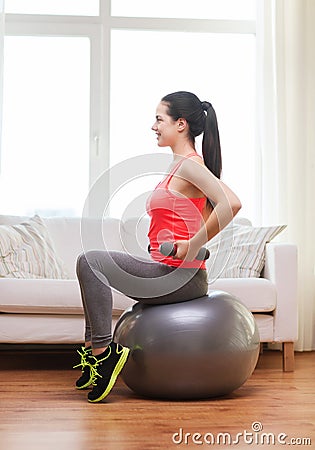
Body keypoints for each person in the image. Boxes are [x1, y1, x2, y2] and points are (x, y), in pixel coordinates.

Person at [74, 91, 242, 403]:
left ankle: (102, 356)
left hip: (181, 277)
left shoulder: (190, 165)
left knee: (90, 261)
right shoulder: (179, 166)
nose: (153, 126)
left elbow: (230, 203)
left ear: (181, 124)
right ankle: (93, 353)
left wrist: (192, 245)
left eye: (159, 119)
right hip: (169, 272)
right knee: (90, 265)